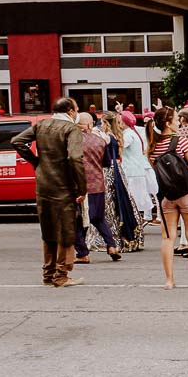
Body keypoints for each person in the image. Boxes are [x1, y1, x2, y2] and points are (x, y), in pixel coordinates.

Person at [12, 98, 87, 287]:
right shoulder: (71, 129)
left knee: (48, 230)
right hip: (63, 186)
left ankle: (48, 273)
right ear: (71, 111)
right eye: (76, 109)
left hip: (43, 184)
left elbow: (17, 141)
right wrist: (81, 187)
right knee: (65, 230)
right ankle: (61, 274)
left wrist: (37, 162)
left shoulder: (42, 125)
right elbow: (75, 158)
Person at [147, 105, 188, 286]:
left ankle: (169, 280)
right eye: (176, 119)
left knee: (167, 238)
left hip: (167, 195)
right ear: (169, 123)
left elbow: (156, 170)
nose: (179, 122)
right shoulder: (182, 141)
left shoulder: (153, 146)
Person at [72, 113, 121, 264]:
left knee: (77, 221)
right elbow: (107, 162)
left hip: (80, 186)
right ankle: (112, 246)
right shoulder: (100, 140)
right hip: (98, 184)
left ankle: (82, 253)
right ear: (89, 125)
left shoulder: (73, 141)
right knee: (98, 218)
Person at [96, 111, 141, 253]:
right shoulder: (117, 136)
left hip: (109, 170)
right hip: (117, 169)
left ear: (107, 124)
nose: (101, 125)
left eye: (102, 123)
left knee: (109, 203)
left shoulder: (107, 137)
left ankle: (112, 236)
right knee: (121, 200)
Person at [119, 109, 156, 227]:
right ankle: (139, 222)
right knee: (139, 199)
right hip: (134, 171)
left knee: (133, 200)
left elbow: (119, 147)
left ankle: (135, 225)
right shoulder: (132, 132)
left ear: (123, 123)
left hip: (132, 172)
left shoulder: (129, 135)